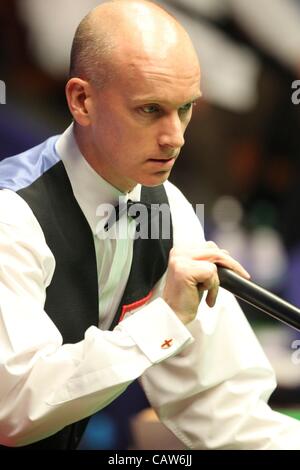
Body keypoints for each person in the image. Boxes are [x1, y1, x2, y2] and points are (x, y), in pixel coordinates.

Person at [0, 0, 300, 450]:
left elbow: (225, 412)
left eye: (185, 108)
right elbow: (14, 409)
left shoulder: (168, 210)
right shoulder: (13, 215)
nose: (175, 137)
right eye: (150, 110)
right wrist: (164, 319)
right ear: (82, 100)